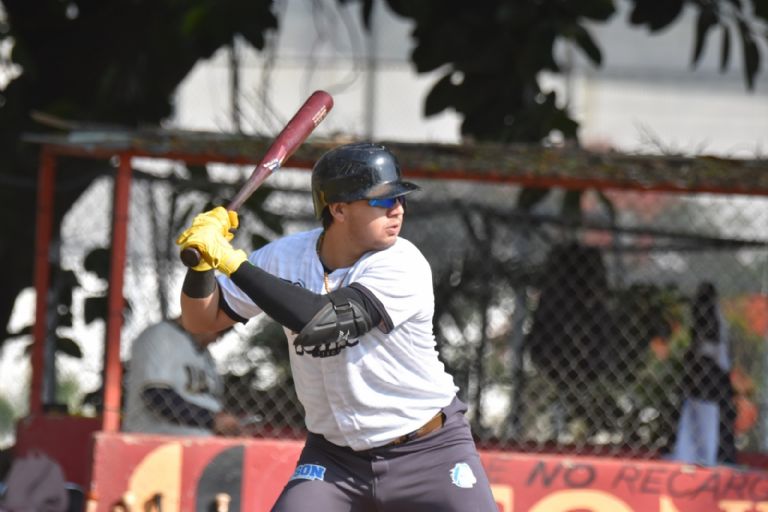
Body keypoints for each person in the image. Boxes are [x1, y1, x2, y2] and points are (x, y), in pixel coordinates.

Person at [175, 142, 498, 511]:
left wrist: (232, 262)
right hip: (336, 460)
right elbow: (199, 319)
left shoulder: (402, 262)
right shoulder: (284, 258)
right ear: (339, 208)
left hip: (428, 451)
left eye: (400, 198)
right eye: (381, 200)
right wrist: (201, 267)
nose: (397, 209)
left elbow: (324, 322)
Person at [122, 317, 242, 436]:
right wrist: (211, 419)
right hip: (157, 441)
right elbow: (157, 396)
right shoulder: (161, 335)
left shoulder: (206, 355)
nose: (218, 339)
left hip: (201, 441)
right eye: (220, 331)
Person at [669, 282, 735, 465]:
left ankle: (702, 454)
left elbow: (713, 346)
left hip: (707, 374)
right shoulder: (711, 315)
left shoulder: (710, 316)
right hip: (709, 374)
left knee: (703, 413)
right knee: (706, 414)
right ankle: (708, 454)